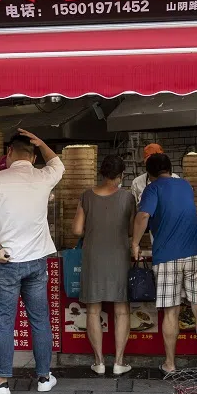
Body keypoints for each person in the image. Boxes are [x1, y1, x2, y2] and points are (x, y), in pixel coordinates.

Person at [0, 129, 64, 394]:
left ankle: (1, 382)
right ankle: (44, 378)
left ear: (8, 153)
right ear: (33, 156)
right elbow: (58, 163)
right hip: (37, 261)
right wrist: (41, 141)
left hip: (7, 261)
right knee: (40, 320)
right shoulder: (43, 177)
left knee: (3, 322)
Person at [131, 153, 197, 373]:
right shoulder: (186, 186)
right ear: (170, 168)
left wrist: (134, 243)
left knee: (171, 312)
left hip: (167, 257)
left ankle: (170, 364)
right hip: (194, 255)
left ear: (149, 174)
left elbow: (142, 217)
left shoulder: (153, 188)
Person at [72, 154, 135, 376]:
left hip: (93, 256)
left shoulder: (86, 196)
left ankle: (98, 362)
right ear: (121, 175)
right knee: (121, 309)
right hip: (119, 255)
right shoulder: (128, 198)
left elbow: (77, 230)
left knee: (93, 309)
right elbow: (130, 230)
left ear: (101, 173)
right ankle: (119, 362)